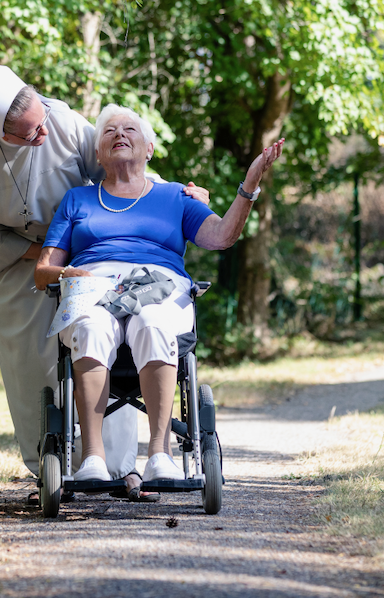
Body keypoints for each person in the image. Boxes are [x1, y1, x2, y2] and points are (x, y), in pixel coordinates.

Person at [0, 66, 209, 495]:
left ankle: (121, 466)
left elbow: (122, 168)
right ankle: (50, 465)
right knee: (32, 365)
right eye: (31, 133)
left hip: (94, 256)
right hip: (24, 257)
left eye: (42, 122)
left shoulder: (64, 122)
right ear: (1, 133)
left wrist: (180, 195)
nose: (43, 134)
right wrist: (51, 257)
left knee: (117, 335)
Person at [35, 104, 284, 482]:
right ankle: (92, 460)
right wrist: (68, 272)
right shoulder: (77, 200)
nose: (120, 134)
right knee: (90, 328)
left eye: (130, 129)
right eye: (109, 131)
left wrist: (249, 185)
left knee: (152, 322)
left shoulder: (175, 196)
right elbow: (42, 273)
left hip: (158, 284)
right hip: (95, 286)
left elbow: (222, 236)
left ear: (149, 148)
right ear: (98, 154)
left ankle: (159, 455)